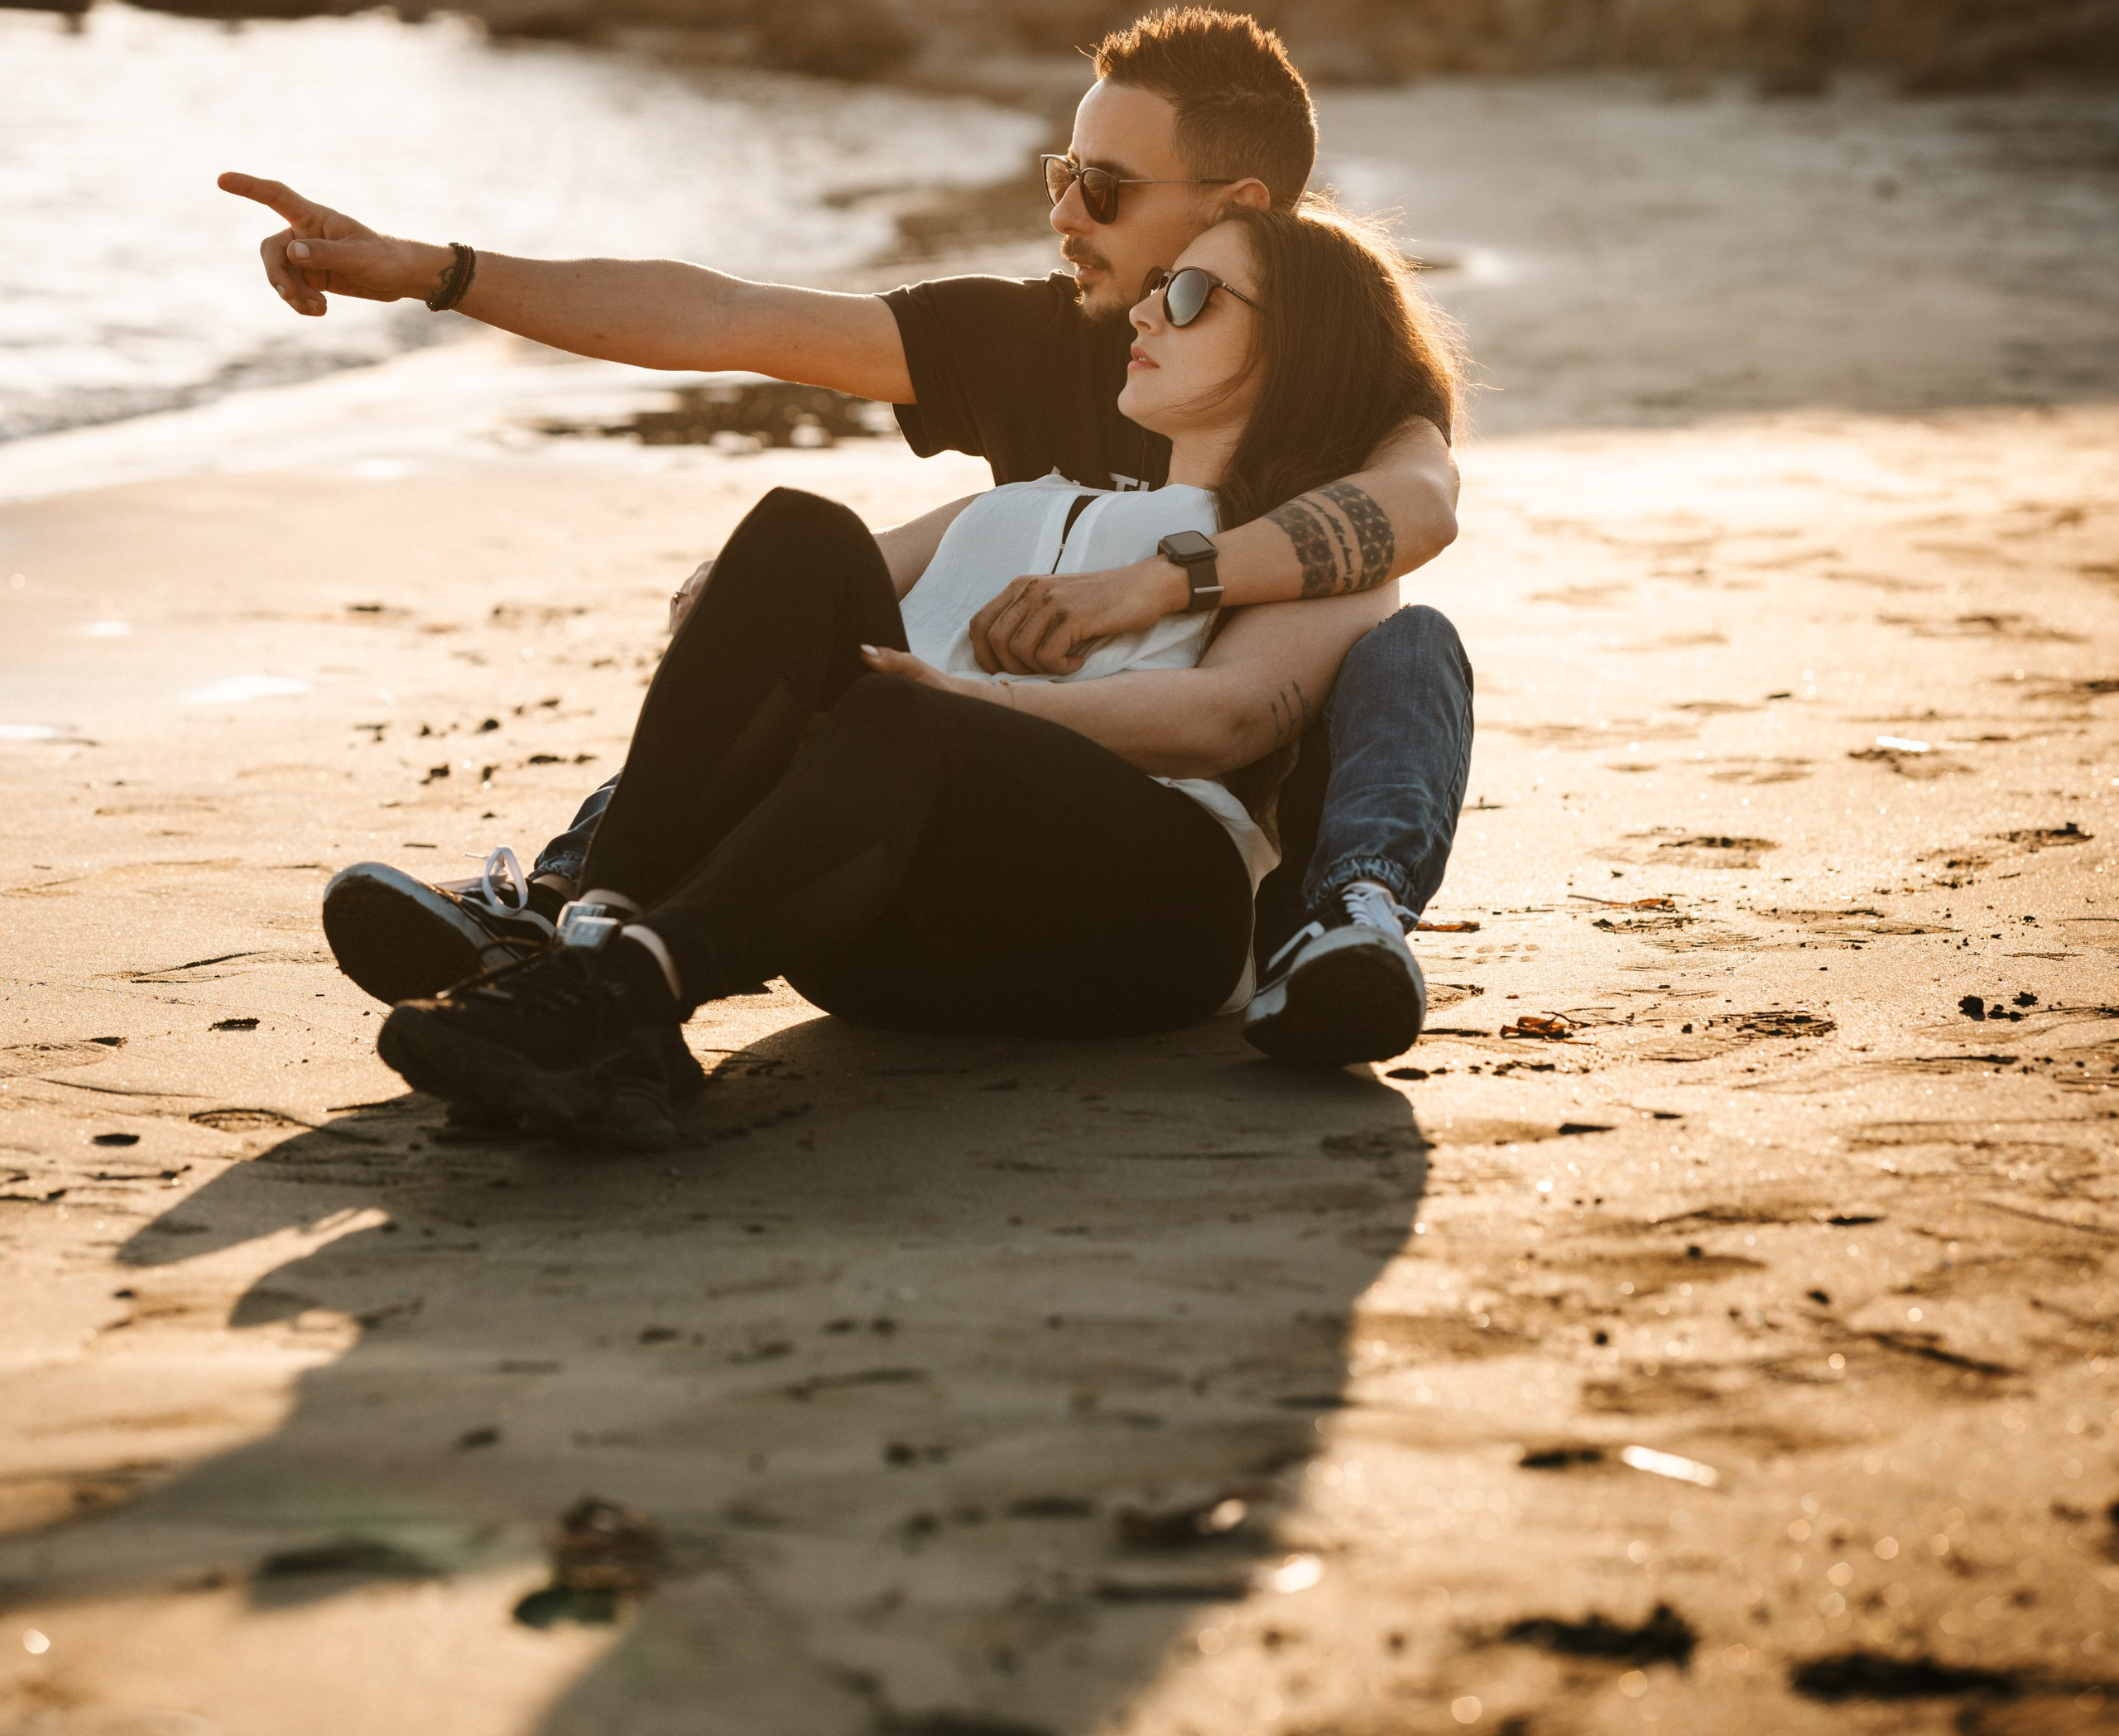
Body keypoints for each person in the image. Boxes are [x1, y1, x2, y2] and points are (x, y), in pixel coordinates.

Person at [221, 6, 1475, 1065]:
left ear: (1237, 205)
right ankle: (577, 914)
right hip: (935, 838)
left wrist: (1153, 584)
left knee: (1411, 646)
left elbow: (1409, 518)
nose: (1066, 214)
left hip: (1133, 873)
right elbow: (721, 313)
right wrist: (437, 270)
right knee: (794, 551)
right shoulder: (1038, 351)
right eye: (1059, 174)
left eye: (1105, 187)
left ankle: (1346, 919)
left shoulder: (1335, 423)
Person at [372, 203, 1462, 1147]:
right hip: (871, 918)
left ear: (1301, 346)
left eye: (1189, 293)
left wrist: (975, 704)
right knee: (799, 530)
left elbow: (1225, 718)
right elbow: (781, 600)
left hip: (1140, 923)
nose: (1142, 310)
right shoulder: (1023, 500)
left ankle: (631, 997)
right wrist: (745, 609)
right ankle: (597, 943)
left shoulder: (1312, 540)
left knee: (899, 707)